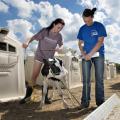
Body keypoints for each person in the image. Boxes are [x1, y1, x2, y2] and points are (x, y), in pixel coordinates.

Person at [20, 18, 65, 104]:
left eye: (61, 28)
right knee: (34, 75)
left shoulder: (59, 36)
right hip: (40, 56)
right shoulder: (45, 31)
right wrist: (27, 42)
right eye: (58, 27)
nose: (59, 30)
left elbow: (61, 44)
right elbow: (32, 37)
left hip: (49, 58)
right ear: (54, 24)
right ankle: (27, 96)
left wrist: (59, 48)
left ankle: (46, 98)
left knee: (46, 77)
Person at [77, 8, 107, 109]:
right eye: (85, 21)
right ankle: (85, 103)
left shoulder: (99, 26)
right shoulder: (82, 28)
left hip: (98, 55)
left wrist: (90, 54)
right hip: (86, 56)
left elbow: (100, 42)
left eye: (88, 20)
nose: (87, 23)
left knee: (99, 79)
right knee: (86, 80)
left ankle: (100, 103)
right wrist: (82, 51)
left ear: (92, 17)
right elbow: (80, 43)